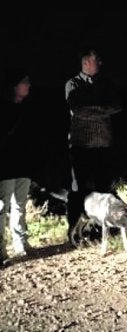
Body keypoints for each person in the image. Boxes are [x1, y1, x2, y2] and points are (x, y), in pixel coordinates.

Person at [64, 48, 122, 244]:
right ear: (86, 61)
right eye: (97, 60)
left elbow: (117, 105)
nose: (100, 63)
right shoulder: (73, 84)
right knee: (79, 189)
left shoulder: (105, 84)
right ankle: (74, 230)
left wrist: (94, 108)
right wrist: (103, 110)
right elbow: (78, 110)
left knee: (103, 187)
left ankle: (99, 230)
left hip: (103, 144)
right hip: (81, 145)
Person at [0, 69, 36, 265]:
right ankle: (1, 248)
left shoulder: (27, 107)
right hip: (6, 165)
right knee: (2, 207)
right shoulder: (4, 108)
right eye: (25, 82)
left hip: (22, 164)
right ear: (15, 85)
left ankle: (20, 243)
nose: (28, 85)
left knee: (19, 205)